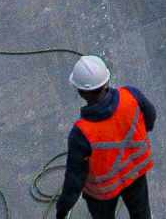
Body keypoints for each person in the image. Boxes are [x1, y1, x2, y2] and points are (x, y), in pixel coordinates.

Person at [53, 56, 156, 219]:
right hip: (135, 173)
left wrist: (63, 208)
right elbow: (150, 116)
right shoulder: (131, 95)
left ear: (81, 91)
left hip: (102, 193)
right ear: (106, 80)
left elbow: (75, 177)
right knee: (141, 214)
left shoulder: (81, 133)